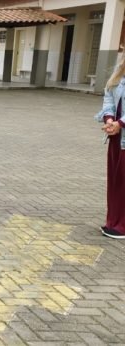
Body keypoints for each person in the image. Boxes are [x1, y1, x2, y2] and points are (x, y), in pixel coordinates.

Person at [96, 53, 125, 239]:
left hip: (121, 130)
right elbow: (109, 95)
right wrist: (109, 119)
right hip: (116, 136)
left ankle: (122, 225)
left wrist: (120, 123)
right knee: (115, 180)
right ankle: (112, 221)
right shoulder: (120, 69)